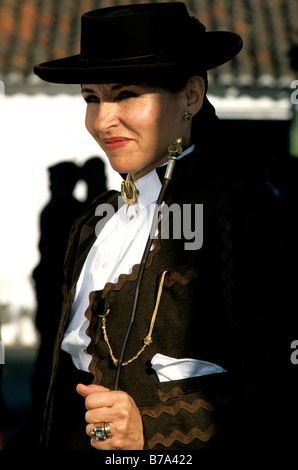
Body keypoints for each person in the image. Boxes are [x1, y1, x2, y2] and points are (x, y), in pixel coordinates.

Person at [33, 3, 298, 451]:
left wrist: (151, 430)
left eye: (127, 94)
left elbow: (284, 386)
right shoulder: (92, 223)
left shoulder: (235, 211)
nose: (102, 121)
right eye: (92, 98)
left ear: (191, 97)